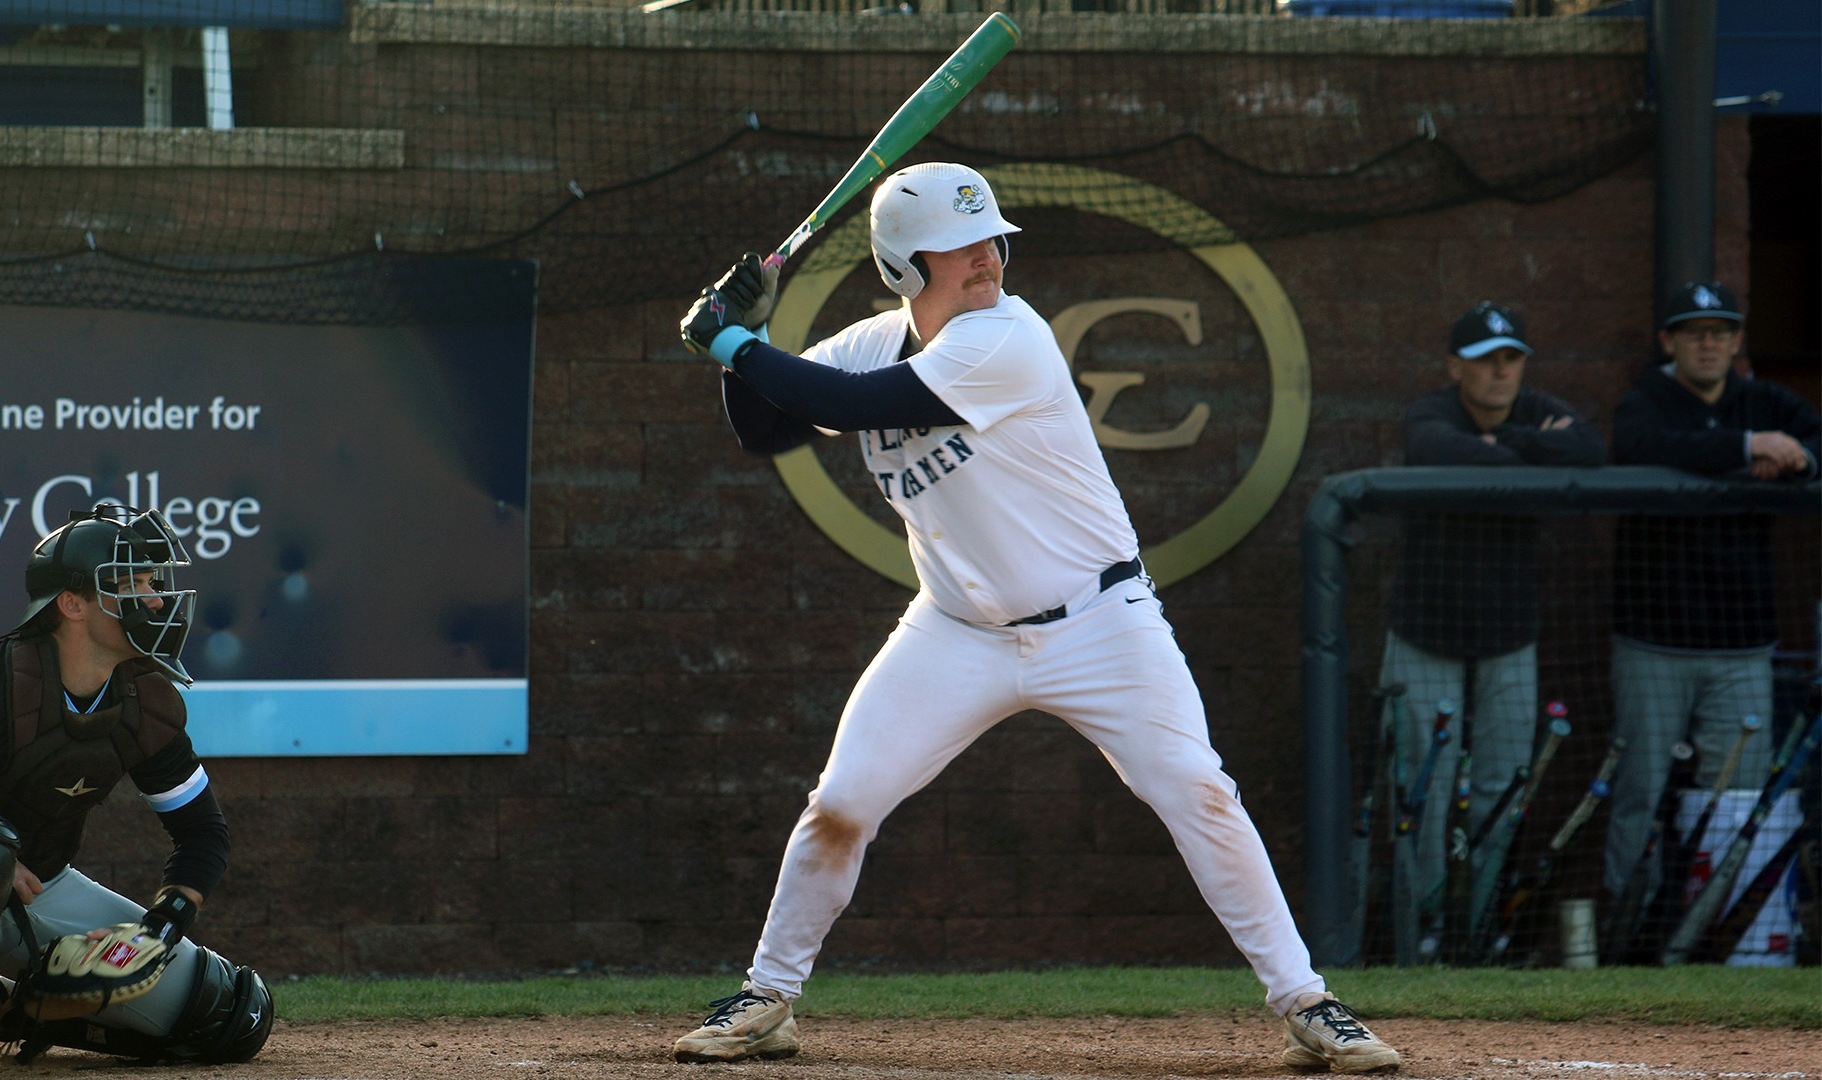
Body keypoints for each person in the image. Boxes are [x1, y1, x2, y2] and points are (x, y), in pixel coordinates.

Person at [668, 162, 1400, 1073]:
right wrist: (753, 334)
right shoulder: (866, 343)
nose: (987, 256)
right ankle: (769, 996)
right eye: (958, 247)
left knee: (1196, 789)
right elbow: (767, 428)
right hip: (953, 632)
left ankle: (1308, 1004)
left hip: (1100, 620)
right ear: (903, 268)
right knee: (841, 806)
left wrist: (735, 341)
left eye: (991, 239)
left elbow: (850, 407)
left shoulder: (1009, 337)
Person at [0, 505, 273, 1077]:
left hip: (38, 891)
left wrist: (157, 930)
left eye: (155, 583)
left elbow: (202, 832)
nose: (155, 600)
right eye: (131, 585)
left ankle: (1, 1006)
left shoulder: (146, 703)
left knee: (230, 1015)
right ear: (71, 604)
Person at [1377, 302, 1605, 963]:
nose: (1500, 371)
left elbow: (1588, 448)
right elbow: (1431, 446)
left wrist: (1505, 448)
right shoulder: (1433, 410)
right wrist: (1527, 452)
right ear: (1456, 367)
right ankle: (1414, 939)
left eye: (1510, 358)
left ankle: (1471, 936)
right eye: (1484, 360)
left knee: (1505, 792)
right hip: (1426, 632)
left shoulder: (1535, 409)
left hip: (1510, 636)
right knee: (1423, 793)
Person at [1601, 281, 1821, 909]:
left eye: (1720, 332)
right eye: (1694, 332)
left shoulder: (1764, 399)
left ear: (1736, 340)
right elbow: (1639, 445)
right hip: (1653, 643)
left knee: (1741, 797)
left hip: (1742, 645)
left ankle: (1727, 937)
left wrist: (1800, 458)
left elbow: (1815, 441)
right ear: (1670, 341)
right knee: (1640, 791)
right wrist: (1748, 447)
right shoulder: (1647, 400)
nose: (1708, 344)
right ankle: (1628, 932)